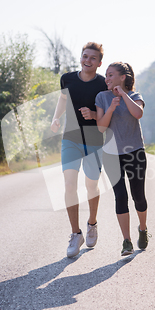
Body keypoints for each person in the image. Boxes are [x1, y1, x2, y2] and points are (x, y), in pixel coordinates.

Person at [50, 42, 107, 258]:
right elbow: (63, 99)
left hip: (94, 140)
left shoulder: (103, 84)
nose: (87, 60)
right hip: (71, 139)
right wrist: (56, 118)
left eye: (93, 58)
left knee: (91, 185)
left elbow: (108, 114)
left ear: (99, 63)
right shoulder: (67, 79)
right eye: (85, 56)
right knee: (69, 184)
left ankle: (92, 223)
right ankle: (76, 233)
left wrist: (94, 115)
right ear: (80, 57)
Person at [95, 62, 150, 256]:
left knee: (138, 197)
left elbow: (138, 113)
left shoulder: (135, 96)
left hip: (135, 152)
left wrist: (124, 95)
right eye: (106, 75)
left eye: (110, 75)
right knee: (121, 196)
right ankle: (126, 241)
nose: (106, 78)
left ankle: (142, 229)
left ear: (122, 77)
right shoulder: (101, 97)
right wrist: (110, 108)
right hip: (111, 155)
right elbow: (101, 127)